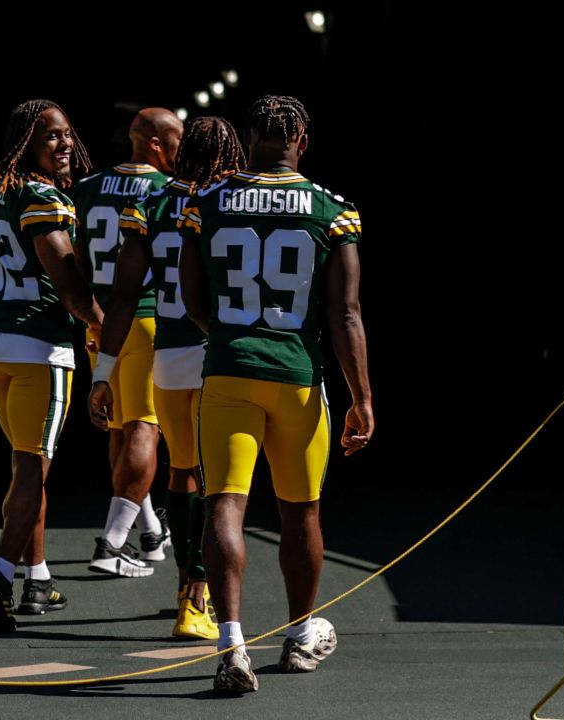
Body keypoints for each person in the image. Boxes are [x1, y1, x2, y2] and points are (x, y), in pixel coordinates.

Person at [177, 96, 375, 693]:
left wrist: (234, 340)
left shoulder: (205, 201)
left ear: (248, 137)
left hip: (230, 367)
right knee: (301, 510)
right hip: (296, 374)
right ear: (303, 142)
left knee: (224, 504)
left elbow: (191, 300)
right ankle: (297, 633)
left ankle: (231, 641)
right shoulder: (330, 208)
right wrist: (362, 396)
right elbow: (344, 313)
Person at [0, 99, 100, 631]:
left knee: (27, 465)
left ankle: (37, 576)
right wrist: (102, 326)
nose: (66, 144)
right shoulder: (40, 196)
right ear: (25, 144)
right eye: (52, 137)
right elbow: (68, 282)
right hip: (41, 347)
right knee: (34, 466)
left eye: (68, 134)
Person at [91, 116, 245, 639]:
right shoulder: (232, 199)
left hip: (171, 355)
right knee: (222, 486)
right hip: (222, 355)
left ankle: (188, 596)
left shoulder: (152, 203)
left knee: (183, 474)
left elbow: (124, 293)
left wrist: (103, 371)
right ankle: (203, 599)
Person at [70, 108, 183, 577]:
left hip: (98, 319)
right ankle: (113, 541)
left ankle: (150, 527)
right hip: (144, 316)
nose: (182, 149)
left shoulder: (87, 187)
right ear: (156, 144)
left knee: (120, 427)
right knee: (144, 427)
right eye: (177, 139)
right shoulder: (165, 191)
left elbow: (75, 258)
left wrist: (91, 316)